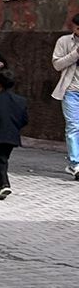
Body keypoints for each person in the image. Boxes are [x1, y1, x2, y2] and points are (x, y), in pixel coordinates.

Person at [0, 69, 28, 200]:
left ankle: (3, 185)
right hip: (13, 134)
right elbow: (24, 119)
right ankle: (0, 186)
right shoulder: (21, 101)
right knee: (3, 159)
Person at [54, 10, 79, 181]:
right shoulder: (64, 42)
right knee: (73, 126)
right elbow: (57, 64)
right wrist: (76, 53)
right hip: (71, 90)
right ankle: (75, 163)